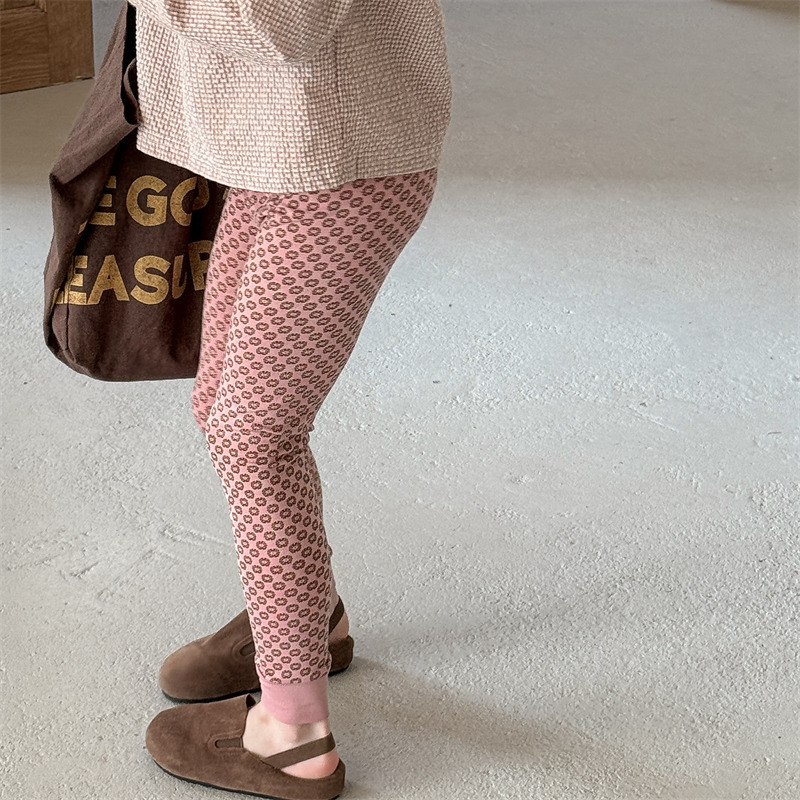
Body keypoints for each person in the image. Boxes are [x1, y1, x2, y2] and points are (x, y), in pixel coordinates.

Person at [126, 2, 452, 798]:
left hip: (343, 167)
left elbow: (283, 24)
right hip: (282, 147)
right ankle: (309, 621)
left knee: (254, 436)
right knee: (221, 407)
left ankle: (292, 737)